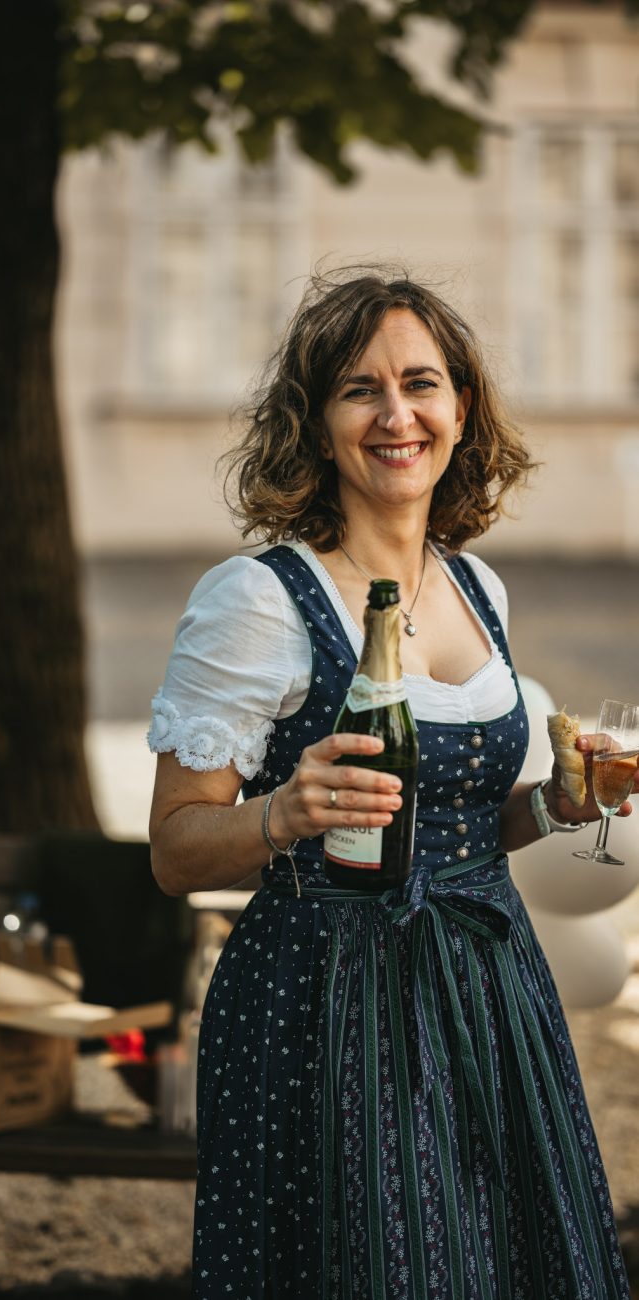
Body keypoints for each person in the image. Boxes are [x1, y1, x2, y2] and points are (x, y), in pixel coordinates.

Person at [148, 270, 635, 1300]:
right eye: (358, 389)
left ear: (460, 410)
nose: (395, 413)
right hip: (323, 1002)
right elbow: (174, 847)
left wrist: (555, 806)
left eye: (420, 382)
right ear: (316, 424)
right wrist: (280, 813)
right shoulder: (256, 600)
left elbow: (458, 825)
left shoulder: (475, 584)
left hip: (488, 987)